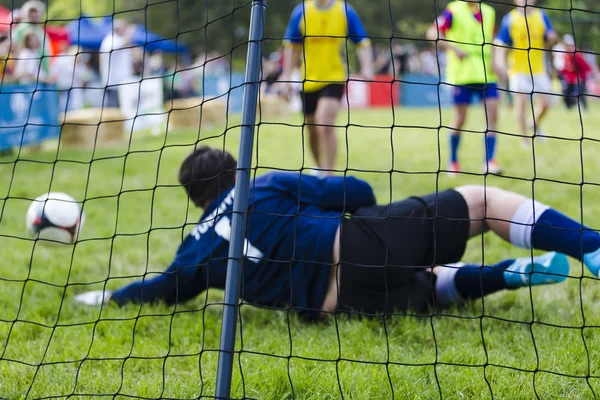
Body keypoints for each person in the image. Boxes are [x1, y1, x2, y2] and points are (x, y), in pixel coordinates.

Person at [76, 147, 600, 321]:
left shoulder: (194, 251)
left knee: (424, 284)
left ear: (196, 200)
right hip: (354, 245)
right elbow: (362, 194)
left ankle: (506, 276)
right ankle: (590, 246)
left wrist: (106, 297)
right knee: (482, 200)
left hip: (340, 304)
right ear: (235, 170)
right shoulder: (259, 185)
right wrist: (318, 185)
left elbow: (159, 291)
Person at [281, 0, 373, 176]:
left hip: (334, 78)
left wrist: (367, 67)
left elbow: (362, 42)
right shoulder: (301, 12)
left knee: (325, 122)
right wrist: (286, 77)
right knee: (312, 130)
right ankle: (319, 167)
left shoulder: (345, 11)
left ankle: (328, 176)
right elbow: (292, 48)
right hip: (307, 80)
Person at [426, 0, 501, 176]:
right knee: (460, 118)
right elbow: (432, 32)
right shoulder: (453, 9)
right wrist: (453, 48)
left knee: (493, 117)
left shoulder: (489, 11)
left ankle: (489, 161)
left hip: (487, 73)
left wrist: (496, 63)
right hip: (462, 74)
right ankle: (453, 161)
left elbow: (491, 40)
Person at [493, 0, 558, 147]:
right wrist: (499, 62)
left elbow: (550, 36)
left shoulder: (541, 16)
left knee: (547, 103)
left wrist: (552, 37)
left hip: (539, 68)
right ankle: (524, 139)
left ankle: (533, 123)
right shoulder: (510, 18)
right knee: (521, 103)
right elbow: (500, 42)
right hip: (517, 69)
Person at [99, 19, 136, 108]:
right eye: (124, 28)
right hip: (113, 83)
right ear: (118, 28)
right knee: (113, 109)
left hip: (122, 83)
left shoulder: (118, 39)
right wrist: (130, 33)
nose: (125, 30)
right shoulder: (110, 40)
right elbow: (122, 45)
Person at [12, 1, 51, 78]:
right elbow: (15, 47)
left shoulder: (40, 29)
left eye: (37, 15)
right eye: (33, 16)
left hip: (42, 66)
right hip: (29, 68)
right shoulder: (21, 28)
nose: (35, 18)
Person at [560, 34, 598, 111]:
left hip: (580, 77)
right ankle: (568, 106)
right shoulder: (565, 55)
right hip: (570, 78)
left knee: (581, 92)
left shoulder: (576, 54)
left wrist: (589, 73)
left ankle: (584, 108)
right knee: (566, 91)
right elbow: (565, 68)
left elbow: (584, 65)